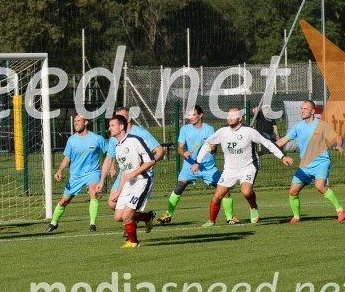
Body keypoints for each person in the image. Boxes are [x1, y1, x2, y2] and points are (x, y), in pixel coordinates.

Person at [195, 107, 294, 226]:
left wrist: (282, 156)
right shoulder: (222, 131)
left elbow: (267, 143)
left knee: (246, 192)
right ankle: (211, 221)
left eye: (232, 116)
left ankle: (253, 207)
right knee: (217, 196)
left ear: (240, 118)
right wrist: (197, 162)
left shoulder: (249, 131)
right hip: (230, 169)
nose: (229, 118)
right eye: (228, 116)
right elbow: (207, 144)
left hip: (248, 166)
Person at [158, 105, 235, 225]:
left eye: (193, 115)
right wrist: (184, 153)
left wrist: (213, 148)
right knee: (179, 187)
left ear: (200, 115)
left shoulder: (209, 129)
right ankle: (167, 215)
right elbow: (180, 148)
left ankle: (230, 218)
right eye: (189, 115)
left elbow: (214, 149)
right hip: (190, 166)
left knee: (224, 190)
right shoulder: (185, 129)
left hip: (208, 167)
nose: (191, 117)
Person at [276, 100, 345, 223]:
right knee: (293, 191)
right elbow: (283, 140)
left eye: (305, 108)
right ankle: (296, 217)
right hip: (305, 166)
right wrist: (270, 146)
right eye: (301, 108)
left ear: (313, 111)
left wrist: (339, 145)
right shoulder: (298, 126)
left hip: (321, 162)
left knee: (319, 186)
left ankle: (340, 210)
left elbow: (337, 138)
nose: (302, 111)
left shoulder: (322, 125)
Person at [47, 114, 107, 232]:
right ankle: (54, 222)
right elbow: (66, 158)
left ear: (86, 122)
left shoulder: (96, 138)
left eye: (79, 121)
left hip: (92, 172)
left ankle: (92, 224)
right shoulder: (72, 140)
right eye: (75, 121)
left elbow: (110, 151)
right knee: (65, 201)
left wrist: (111, 167)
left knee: (93, 192)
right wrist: (60, 170)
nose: (76, 123)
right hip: (75, 175)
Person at [107, 114, 157, 249]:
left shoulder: (135, 140)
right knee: (118, 216)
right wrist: (118, 191)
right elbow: (124, 172)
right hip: (129, 183)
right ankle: (147, 217)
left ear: (121, 127)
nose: (109, 128)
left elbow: (151, 161)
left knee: (127, 214)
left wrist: (134, 173)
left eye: (112, 125)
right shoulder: (118, 147)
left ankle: (133, 242)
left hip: (142, 180)